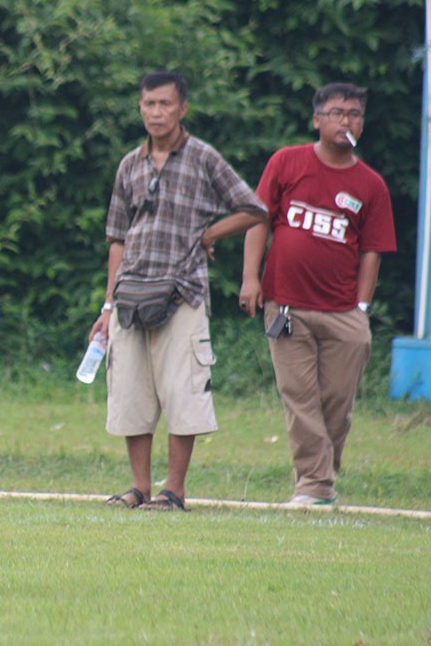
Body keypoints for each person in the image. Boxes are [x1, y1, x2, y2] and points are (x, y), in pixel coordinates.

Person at [89, 71, 266, 511]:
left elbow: (254, 209)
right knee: (131, 393)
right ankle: (139, 487)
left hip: (183, 291)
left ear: (182, 108)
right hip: (130, 294)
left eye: (164, 104)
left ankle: (176, 490)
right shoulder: (129, 164)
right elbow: (117, 239)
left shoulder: (203, 158)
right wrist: (108, 305)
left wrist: (210, 234)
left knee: (183, 392)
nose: (155, 112)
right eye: (148, 104)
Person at [240, 82, 396, 507]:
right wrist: (250, 278)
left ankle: (320, 479)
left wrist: (361, 308)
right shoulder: (287, 162)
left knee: (336, 404)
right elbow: (258, 219)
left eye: (355, 114)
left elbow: (373, 250)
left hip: (344, 309)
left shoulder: (371, 184)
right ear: (317, 119)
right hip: (285, 304)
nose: (347, 120)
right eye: (338, 112)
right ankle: (314, 486)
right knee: (300, 397)